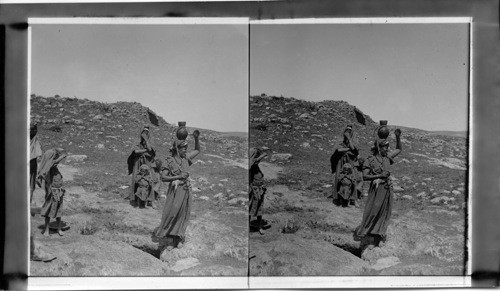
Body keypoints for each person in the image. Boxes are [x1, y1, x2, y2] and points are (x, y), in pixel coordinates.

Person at [354, 128, 402, 248]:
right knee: (373, 211)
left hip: (387, 189)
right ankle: (369, 234)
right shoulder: (370, 160)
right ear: (378, 148)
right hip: (376, 190)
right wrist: (379, 175)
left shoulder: (387, 157)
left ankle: (380, 235)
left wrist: (398, 137)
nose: (387, 149)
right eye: (385, 147)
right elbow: (365, 176)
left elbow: (399, 149)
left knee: (385, 212)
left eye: (387, 146)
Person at [154, 130, 200, 250]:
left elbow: (198, 150)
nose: (186, 150)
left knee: (184, 213)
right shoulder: (169, 161)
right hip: (175, 191)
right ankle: (169, 237)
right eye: (184, 148)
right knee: (172, 212)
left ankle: (178, 237)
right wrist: (178, 177)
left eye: (186, 148)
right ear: (177, 149)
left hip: (186, 190)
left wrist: (196, 138)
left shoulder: (185, 158)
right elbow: (163, 177)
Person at [37, 148, 67, 237]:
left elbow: (53, 163)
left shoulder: (54, 168)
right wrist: (61, 157)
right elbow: (51, 164)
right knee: (49, 208)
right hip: (52, 190)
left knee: (58, 208)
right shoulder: (48, 168)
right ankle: (46, 230)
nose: (56, 160)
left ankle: (59, 228)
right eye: (54, 157)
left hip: (59, 190)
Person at [330, 125, 359, 205]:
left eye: (349, 132)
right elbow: (338, 150)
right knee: (339, 177)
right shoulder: (341, 141)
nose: (348, 133)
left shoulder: (353, 141)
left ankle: (353, 199)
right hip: (340, 161)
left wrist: (349, 140)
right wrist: (348, 150)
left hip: (350, 161)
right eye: (347, 131)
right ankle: (337, 198)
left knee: (352, 178)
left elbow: (354, 149)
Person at [127, 125, 156, 207]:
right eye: (144, 132)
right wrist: (145, 151)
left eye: (147, 132)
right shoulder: (137, 142)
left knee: (149, 179)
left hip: (147, 162)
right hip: (137, 162)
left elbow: (151, 151)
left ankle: (150, 200)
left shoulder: (149, 142)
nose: (145, 134)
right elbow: (135, 151)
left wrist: (146, 140)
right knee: (137, 178)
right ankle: (135, 199)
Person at [249, 147, 268, 235]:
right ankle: (249, 226)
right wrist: (262, 156)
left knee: (259, 209)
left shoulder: (255, 165)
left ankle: (259, 226)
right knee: (250, 208)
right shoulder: (251, 165)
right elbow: (253, 162)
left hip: (259, 190)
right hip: (254, 191)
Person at [30, 123, 42, 202]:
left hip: (32, 165)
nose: (34, 131)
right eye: (32, 129)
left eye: (35, 129)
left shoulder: (35, 140)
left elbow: (38, 154)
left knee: (30, 187)